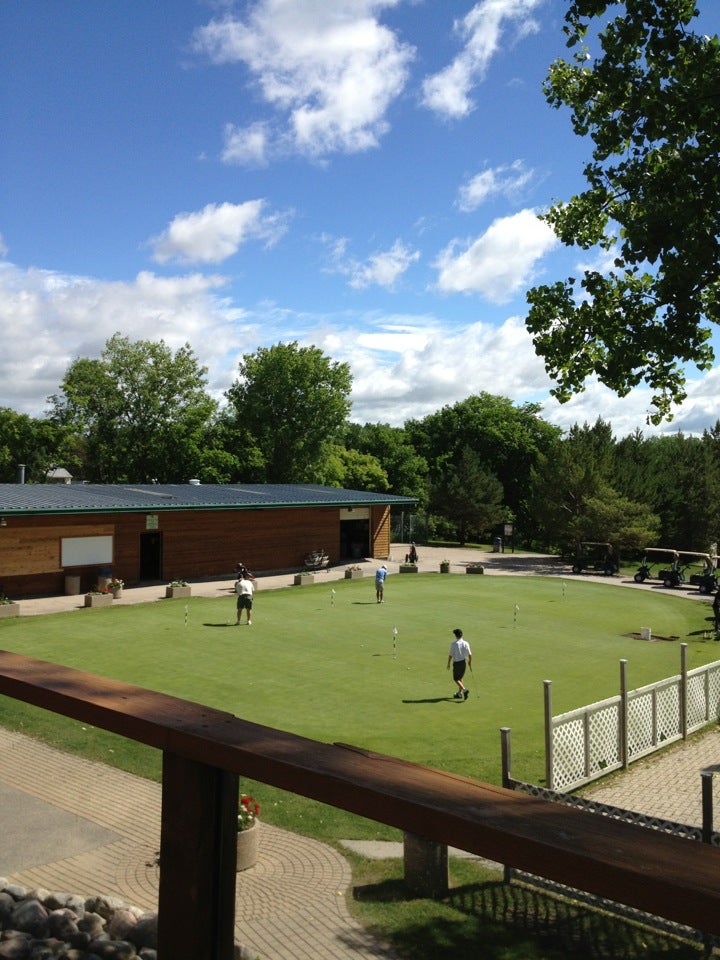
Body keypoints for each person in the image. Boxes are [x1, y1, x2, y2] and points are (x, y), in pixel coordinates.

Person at [447, 627, 472, 700]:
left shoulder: (454, 644)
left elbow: (450, 655)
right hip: (463, 663)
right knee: (460, 677)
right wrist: (470, 662)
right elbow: (470, 655)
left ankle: (464, 690)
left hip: (457, 663)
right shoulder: (466, 643)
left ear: (456, 635)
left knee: (456, 679)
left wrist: (448, 663)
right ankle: (459, 693)